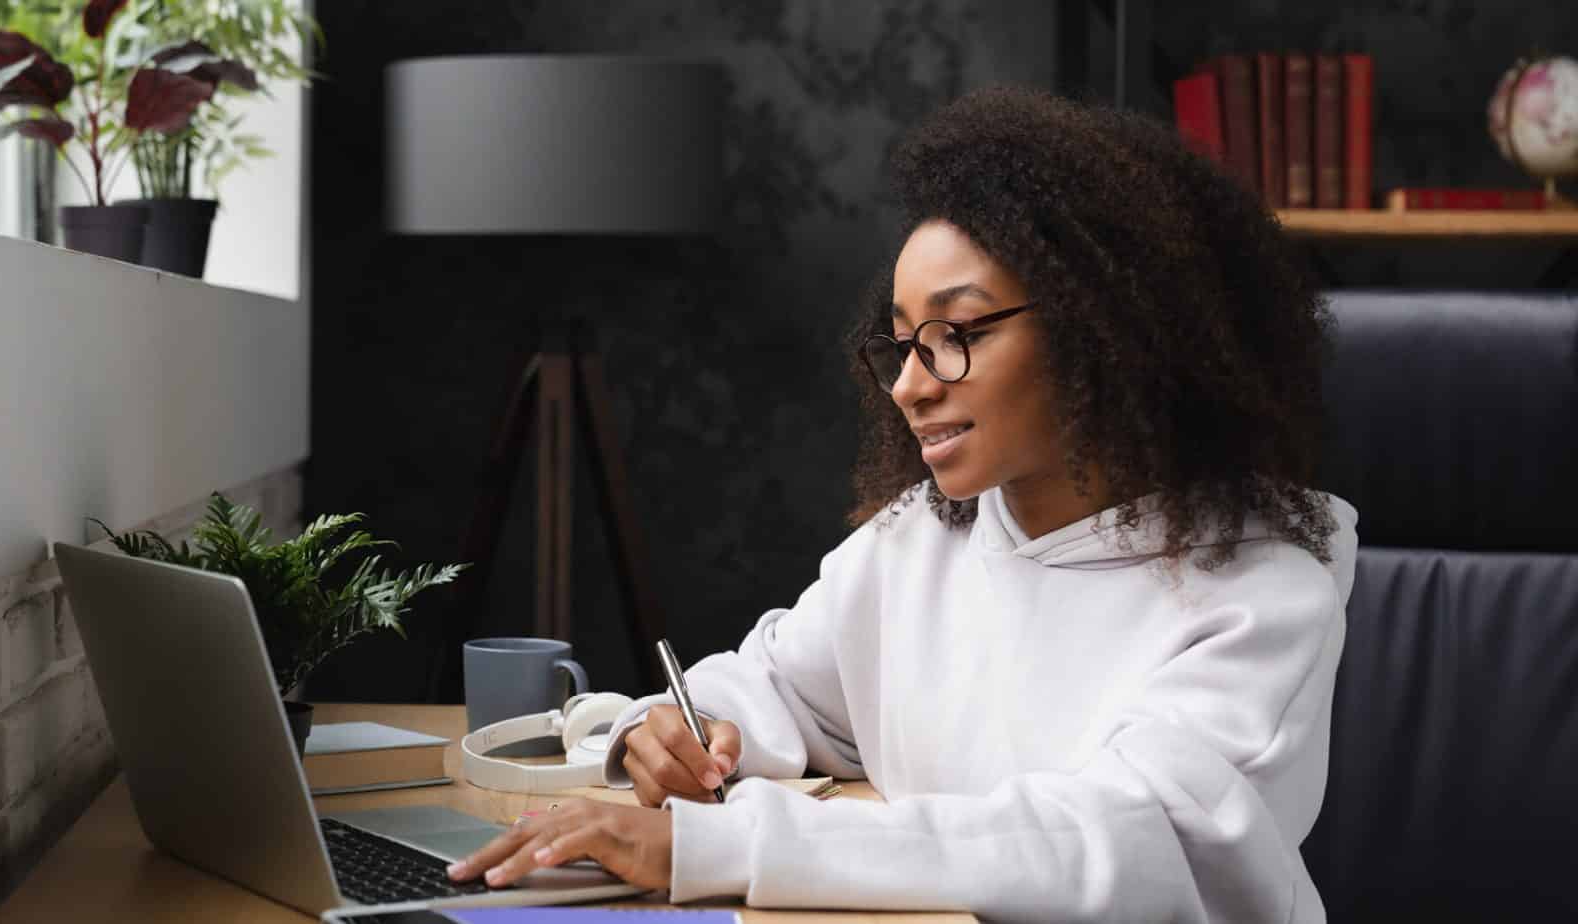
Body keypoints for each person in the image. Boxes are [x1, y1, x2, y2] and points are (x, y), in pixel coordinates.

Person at [449, 84, 1358, 923]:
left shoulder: (1258, 596)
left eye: (955, 336)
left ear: (1106, 330)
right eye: (900, 346)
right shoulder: (919, 541)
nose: (909, 388)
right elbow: (779, 686)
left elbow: (1116, 837)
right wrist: (682, 731)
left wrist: (723, 841)